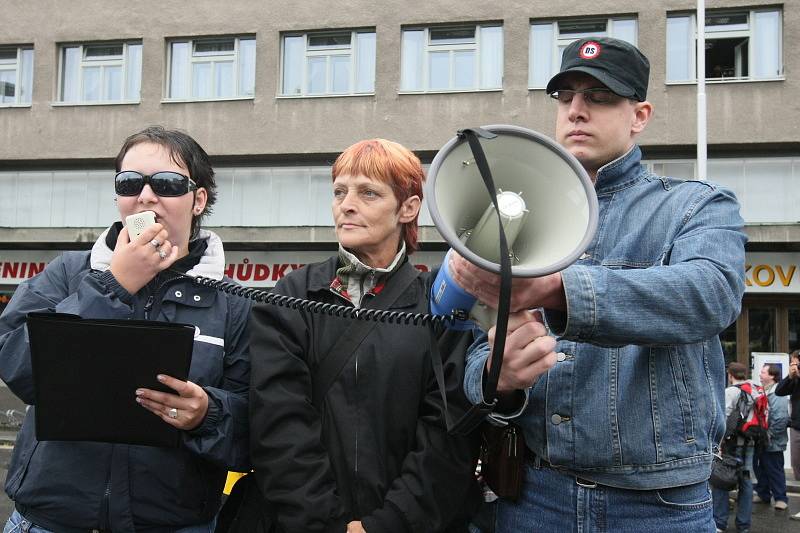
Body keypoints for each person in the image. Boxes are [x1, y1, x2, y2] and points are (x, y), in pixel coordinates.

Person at [452, 37, 747, 531]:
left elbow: (710, 293)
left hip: (660, 506)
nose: (576, 111)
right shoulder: (514, 219)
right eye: (565, 98)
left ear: (640, 115)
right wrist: (496, 379)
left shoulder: (698, 205)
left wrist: (557, 289)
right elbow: (473, 344)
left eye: (599, 97)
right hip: (534, 497)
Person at [0, 126, 251, 532]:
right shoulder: (69, 272)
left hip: (172, 522)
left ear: (198, 199)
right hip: (49, 520)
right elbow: (20, 367)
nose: (146, 196)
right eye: (130, 182)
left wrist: (208, 413)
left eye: (167, 184)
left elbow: (258, 422)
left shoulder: (233, 304)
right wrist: (113, 285)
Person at [247, 139, 481, 532]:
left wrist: (389, 524)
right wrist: (321, 523)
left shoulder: (439, 302)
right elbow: (279, 421)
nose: (346, 205)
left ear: (408, 207)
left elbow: (448, 431)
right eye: (340, 192)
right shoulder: (293, 294)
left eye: (368, 192)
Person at [711, 362, 759, 533]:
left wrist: (718, 443)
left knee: (722, 478)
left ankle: (720, 522)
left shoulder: (730, 391)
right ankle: (744, 525)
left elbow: (722, 419)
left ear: (730, 375)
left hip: (731, 444)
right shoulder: (756, 389)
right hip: (750, 442)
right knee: (746, 480)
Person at [752, 363, 789, 510]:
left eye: (763, 372)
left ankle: (781, 499)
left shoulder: (778, 393)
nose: (760, 375)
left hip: (772, 440)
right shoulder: (764, 391)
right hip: (762, 439)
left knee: (774, 468)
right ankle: (763, 494)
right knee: (760, 467)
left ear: (772, 376)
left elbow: (780, 419)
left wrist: (769, 435)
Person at [775, 350, 800, 520]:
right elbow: (779, 391)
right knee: (798, 466)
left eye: (795, 363)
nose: (793, 366)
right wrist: (790, 377)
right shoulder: (795, 380)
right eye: (792, 363)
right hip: (797, 428)